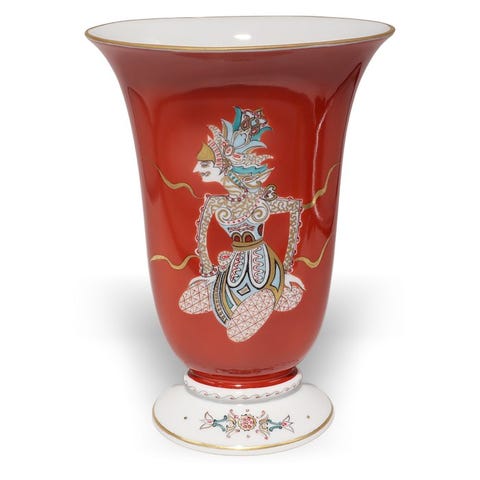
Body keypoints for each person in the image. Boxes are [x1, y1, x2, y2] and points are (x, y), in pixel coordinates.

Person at [179, 107, 305, 342]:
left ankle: (273, 293)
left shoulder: (258, 200)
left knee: (242, 325)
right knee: (187, 303)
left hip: (262, 264)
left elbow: (294, 207)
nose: (196, 169)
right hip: (232, 265)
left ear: (223, 166)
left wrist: (287, 264)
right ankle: (263, 301)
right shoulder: (215, 203)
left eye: (204, 165)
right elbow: (201, 238)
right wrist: (207, 268)